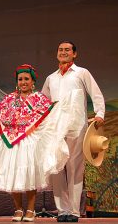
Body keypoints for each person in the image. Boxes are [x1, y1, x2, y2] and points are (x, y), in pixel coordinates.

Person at [0, 64, 85, 222]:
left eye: (26, 79)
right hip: (11, 142)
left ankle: (30, 209)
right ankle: (18, 208)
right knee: (13, 175)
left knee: (29, 175)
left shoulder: (39, 99)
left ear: (32, 81)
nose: (23, 82)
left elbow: (48, 115)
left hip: (30, 142)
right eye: (20, 79)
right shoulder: (10, 99)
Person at [42, 41, 105, 222]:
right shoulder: (51, 78)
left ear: (74, 54)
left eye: (67, 50)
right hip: (55, 128)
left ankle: (74, 211)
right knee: (57, 168)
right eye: (60, 50)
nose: (63, 52)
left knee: (75, 168)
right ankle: (62, 210)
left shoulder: (81, 73)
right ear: (56, 54)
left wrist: (99, 113)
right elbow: (43, 103)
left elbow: (96, 94)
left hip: (76, 126)